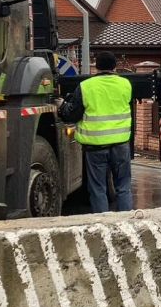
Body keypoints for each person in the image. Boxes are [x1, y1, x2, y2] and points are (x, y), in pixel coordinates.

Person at [56, 51, 134, 213]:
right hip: (121, 145)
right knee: (123, 187)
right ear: (115, 66)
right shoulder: (126, 84)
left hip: (95, 148)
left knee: (98, 189)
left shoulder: (86, 86)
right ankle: (127, 223)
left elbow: (72, 114)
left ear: (96, 67)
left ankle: (103, 226)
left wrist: (61, 105)